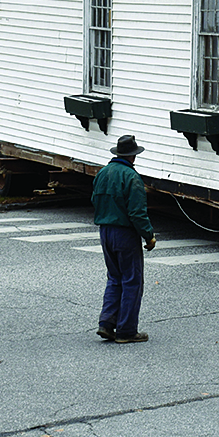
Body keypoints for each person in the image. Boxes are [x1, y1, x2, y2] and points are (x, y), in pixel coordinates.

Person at [93, 134, 156, 343]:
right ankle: (126, 331)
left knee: (114, 278)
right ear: (133, 156)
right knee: (131, 280)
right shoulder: (131, 177)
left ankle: (107, 323)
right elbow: (137, 212)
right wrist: (148, 235)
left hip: (105, 231)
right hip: (124, 233)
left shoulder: (102, 173)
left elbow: (94, 200)